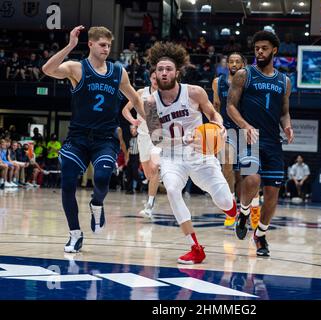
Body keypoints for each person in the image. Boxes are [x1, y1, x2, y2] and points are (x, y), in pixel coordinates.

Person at [122, 41, 237, 264]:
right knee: (173, 189)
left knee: (223, 200)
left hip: (200, 154)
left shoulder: (195, 93)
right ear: (154, 73)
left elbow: (214, 115)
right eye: (160, 69)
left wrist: (220, 127)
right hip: (171, 155)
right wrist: (181, 138)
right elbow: (156, 137)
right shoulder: (150, 103)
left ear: (178, 72)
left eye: (168, 69)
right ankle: (195, 247)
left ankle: (235, 212)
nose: (164, 73)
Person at [42, 25, 144, 253]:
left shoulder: (118, 72)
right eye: (102, 45)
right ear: (90, 44)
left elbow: (136, 99)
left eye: (108, 45)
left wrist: (154, 126)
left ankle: (97, 204)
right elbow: (47, 69)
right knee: (67, 184)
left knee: (101, 179)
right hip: (77, 138)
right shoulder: (76, 68)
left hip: (105, 138)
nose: (106, 49)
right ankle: (75, 234)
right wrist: (69, 45)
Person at [227, 30, 294, 257]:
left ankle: (260, 235)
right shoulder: (244, 75)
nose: (259, 52)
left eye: (264, 48)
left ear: (274, 50)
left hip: (273, 142)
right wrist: (245, 126)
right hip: (249, 138)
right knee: (252, 178)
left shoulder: (284, 81)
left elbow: (284, 112)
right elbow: (230, 107)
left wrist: (288, 126)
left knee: (272, 193)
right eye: (256, 48)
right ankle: (244, 212)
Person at [212, 52, 245, 227]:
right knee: (227, 164)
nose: (234, 64)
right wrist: (216, 126)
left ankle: (244, 208)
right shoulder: (218, 82)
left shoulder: (247, 82)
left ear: (242, 65)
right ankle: (231, 208)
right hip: (226, 129)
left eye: (237, 62)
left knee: (242, 174)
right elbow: (215, 106)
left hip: (244, 129)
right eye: (231, 61)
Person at [133, 67, 160, 218]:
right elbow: (125, 110)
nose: (156, 81)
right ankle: (157, 182)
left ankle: (149, 206)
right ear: (150, 78)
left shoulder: (165, 95)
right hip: (142, 136)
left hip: (157, 137)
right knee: (149, 174)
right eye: (154, 78)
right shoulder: (141, 93)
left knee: (154, 168)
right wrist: (133, 121)